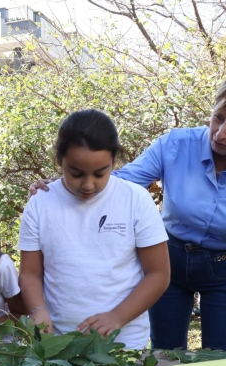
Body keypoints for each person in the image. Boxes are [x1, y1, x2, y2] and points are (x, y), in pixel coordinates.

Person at [30, 72, 226, 352]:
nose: (220, 132)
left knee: (223, 358)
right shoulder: (175, 145)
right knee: (165, 354)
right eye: (218, 117)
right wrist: (60, 185)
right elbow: (120, 181)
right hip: (170, 261)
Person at [19, 109, 170, 350]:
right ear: (59, 160)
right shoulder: (40, 204)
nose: (88, 185)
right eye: (76, 173)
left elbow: (158, 274)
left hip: (123, 343)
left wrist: (117, 317)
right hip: (58, 343)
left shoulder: (136, 200)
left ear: (114, 161)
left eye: (101, 173)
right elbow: (29, 273)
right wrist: (38, 310)